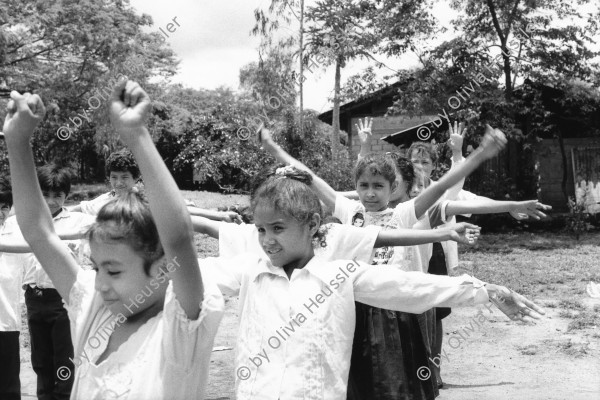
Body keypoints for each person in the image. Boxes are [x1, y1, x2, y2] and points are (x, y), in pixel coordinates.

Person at [199, 165, 544, 400]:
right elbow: (191, 273)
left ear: (313, 224)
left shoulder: (339, 274)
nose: (267, 240)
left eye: (278, 228)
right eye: (260, 229)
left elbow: (407, 287)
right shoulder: (247, 270)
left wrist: (489, 291)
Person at [2, 81, 224, 399]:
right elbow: (40, 232)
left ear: (163, 268)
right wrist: (17, 140)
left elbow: (177, 239)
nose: (100, 283)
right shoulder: (94, 309)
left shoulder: (181, 329)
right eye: (97, 268)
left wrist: (136, 135)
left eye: (114, 270)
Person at [16, 164, 95, 400]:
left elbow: (114, 221)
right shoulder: (25, 220)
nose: (50, 201)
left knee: (64, 359)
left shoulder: (78, 222)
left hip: (63, 299)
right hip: (34, 298)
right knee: (40, 359)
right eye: (45, 194)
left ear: (67, 196)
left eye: (57, 195)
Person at [0, 177, 22, 400]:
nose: (0, 212)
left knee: (8, 390)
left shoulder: (16, 234)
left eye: (4, 207)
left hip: (7, 324)